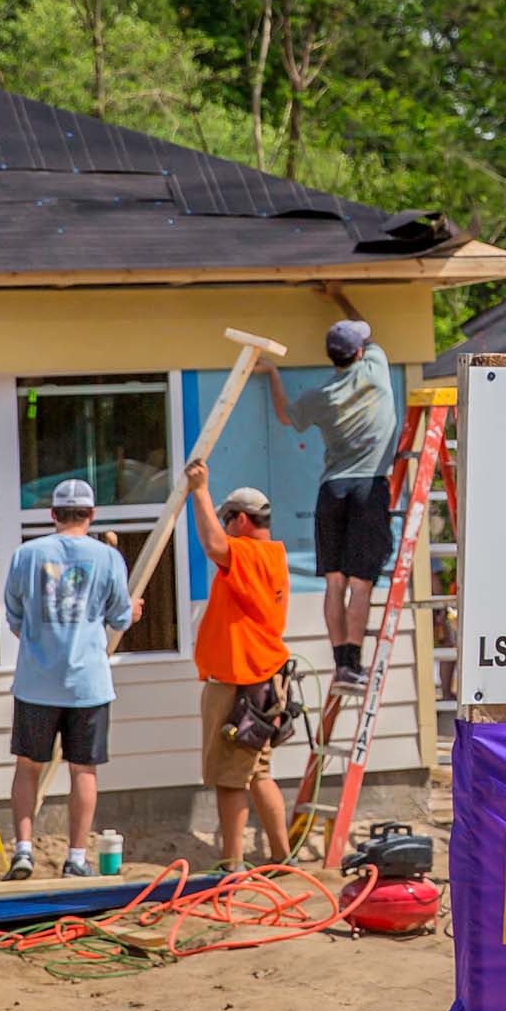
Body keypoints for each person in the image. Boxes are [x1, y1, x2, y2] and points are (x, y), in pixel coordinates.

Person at [0, 477, 133, 880]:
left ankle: (22, 851)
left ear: (53, 514)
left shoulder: (27, 554)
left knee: (27, 766)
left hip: (36, 681)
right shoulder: (107, 558)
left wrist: (42, 637)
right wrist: (131, 611)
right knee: (83, 770)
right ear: (91, 514)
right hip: (87, 682)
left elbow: (15, 616)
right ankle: (75, 857)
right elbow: (120, 617)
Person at [266, 320, 396, 694]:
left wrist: (273, 374)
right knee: (360, 583)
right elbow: (370, 333)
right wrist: (339, 299)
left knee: (335, 582)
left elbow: (284, 415)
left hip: (331, 490)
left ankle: (342, 666)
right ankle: (354, 663)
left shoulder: (320, 397)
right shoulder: (375, 368)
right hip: (368, 486)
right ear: (358, 352)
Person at [187, 459, 294, 868]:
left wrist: (200, 489)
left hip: (242, 682)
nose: (224, 528)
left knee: (231, 780)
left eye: (227, 521)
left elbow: (214, 545)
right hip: (259, 679)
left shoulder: (251, 554)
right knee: (258, 773)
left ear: (243, 520)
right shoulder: (270, 557)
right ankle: (283, 858)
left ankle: (231, 865)